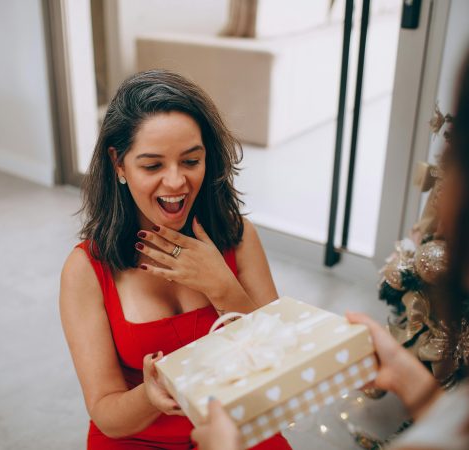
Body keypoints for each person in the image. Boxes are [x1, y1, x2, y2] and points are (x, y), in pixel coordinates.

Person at [192, 51, 469, 450]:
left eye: (451, 168)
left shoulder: (240, 235)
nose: (437, 208)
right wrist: (415, 385)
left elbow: (277, 361)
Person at [59, 70, 291, 449]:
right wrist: (150, 395)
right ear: (118, 164)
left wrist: (222, 286)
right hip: (138, 437)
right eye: (153, 166)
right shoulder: (86, 269)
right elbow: (107, 414)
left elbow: (281, 367)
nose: (176, 182)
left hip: (236, 428)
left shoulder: (239, 235)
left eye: (190, 161)